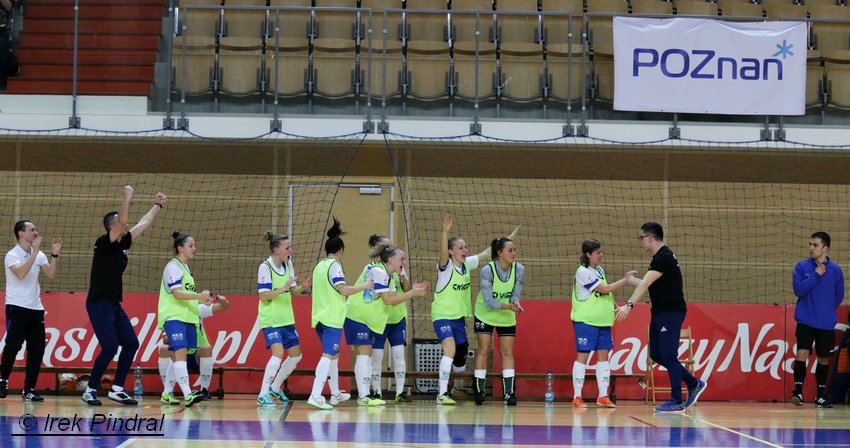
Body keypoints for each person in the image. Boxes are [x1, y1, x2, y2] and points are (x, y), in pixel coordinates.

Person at [83, 186, 166, 406]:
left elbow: (144, 224)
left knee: (131, 343)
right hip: (98, 303)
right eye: (121, 223)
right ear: (112, 227)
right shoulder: (104, 244)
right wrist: (127, 198)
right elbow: (123, 223)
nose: (126, 225)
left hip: (113, 304)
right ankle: (90, 389)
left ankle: (117, 388)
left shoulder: (123, 242)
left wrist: (157, 205)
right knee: (110, 347)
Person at [616, 222, 707, 413]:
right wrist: (631, 280)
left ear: (650, 237)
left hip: (670, 312)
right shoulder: (660, 258)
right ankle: (693, 383)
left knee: (668, 355)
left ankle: (676, 400)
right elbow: (651, 284)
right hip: (659, 312)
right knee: (657, 354)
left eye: (641, 238)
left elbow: (645, 285)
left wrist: (629, 305)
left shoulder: (663, 256)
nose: (641, 242)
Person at [432, 215, 519, 405]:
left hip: (458, 318)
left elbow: (486, 254)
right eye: (461, 248)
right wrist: (445, 232)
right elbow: (442, 254)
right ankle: (442, 394)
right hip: (442, 315)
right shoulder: (445, 267)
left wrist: (504, 242)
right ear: (451, 251)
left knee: (461, 352)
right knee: (450, 349)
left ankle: (456, 388)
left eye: (465, 247)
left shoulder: (466, 265)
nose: (465, 250)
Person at [345, 244, 428, 406]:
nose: (404, 262)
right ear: (391, 259)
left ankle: (366, 395)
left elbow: (392, 297)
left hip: (367, 319)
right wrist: (411, 293)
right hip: (356, 316)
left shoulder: (386, 275)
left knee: (366, 354)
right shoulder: (379, 271)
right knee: (364, 354)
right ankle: (364, 396)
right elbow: (389, 301)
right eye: (401, 259)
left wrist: (410, 290)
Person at [308, 218, 372, 410]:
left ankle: (335, 393)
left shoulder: (319, 266)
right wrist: (364, 286)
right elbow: (343, 291)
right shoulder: (334, 266)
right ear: (341, 251)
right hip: (331, 319)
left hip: (319, 317)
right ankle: (316, 395)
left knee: (333, 355)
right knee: (328, 355)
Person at [0, 221, 62, 401]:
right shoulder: (12, 255)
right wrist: (34, 253)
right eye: (32, 230)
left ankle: (29, 389)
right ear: (21, 234)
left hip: (35, 308)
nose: (36, 232)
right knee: (12, 346)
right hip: (16, 307)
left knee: (37, 350)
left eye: (36, 229)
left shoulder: (40, 254)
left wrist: (55, 255)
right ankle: (3, 379)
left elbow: (50, 274)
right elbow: (20, 273)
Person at [570, 239, 636, 408]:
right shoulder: (582, 272)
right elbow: (605, 289)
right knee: (583, 357)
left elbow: (605, 294)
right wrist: (626, 280)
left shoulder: (599, 270)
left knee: (603, 358)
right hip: (586, 321)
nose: (601, 255)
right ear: (588, 254)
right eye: (598, 252)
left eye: (601, 252)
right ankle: (577, 397)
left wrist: (616, 307)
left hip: (603, 321)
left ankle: (603, 396)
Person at [157, 230, 214, 407]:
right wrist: (199, 296)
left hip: (188, 319)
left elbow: (187, 295)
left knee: (178, 356)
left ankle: (167, 393)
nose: (194, 249)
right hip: (175, 317)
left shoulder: (186, 269)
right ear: (180, 248)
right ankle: (188, 394)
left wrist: (202, 299)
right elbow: (177, 294)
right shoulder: (173, 266)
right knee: (180, 353)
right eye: (191, 246)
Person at [256, 232, 312, 407]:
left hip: (287, 318)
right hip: (271, 318)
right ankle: (262, 394)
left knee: (296, 356)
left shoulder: (288, 264)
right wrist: (284, 287)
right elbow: (264, 296)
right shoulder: (265, 267)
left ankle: (274, 387)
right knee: (278, 353)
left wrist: (303, 287)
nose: (291, 250)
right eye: (287, 248)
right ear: (276, 250)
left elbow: (292, 292)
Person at [790, 231, 845, 408]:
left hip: (825, 322)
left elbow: (839, 295)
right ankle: (797, 391)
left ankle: (820, 395)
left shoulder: (836, 270)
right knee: (802, 354)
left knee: (823, 359)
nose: (811, 248)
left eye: (815, 245)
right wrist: (816, 274)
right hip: (806, 320)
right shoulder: (802, 267)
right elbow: (799, 290)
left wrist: (827, 310)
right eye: (810, 244)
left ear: (825, 248)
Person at [473, 237, 525, 406]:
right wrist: (509, 307)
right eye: (510, 250)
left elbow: (515, 293)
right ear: (499, 252)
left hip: (506, 314)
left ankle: (509, 393)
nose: (514, 253)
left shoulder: (519, 269)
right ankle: (479, 391)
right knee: (484, 349)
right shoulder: (487, 271)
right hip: (485, 313)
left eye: (515, 250)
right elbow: (489, 302)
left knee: (508, 352)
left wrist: (515, 302)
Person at [158, 296, 231, 404]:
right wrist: (181, 337)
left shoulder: (197, 309)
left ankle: (204, 390)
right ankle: (168, 392)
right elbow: (165, 340)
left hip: (196, 354)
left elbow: (224, 307)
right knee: (164, 349)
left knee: (206, 348)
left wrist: (224, 302)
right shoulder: (171, 315)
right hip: (179, 353)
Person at [366, 235, 411, 403]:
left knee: (399, 355)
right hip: (379, 318)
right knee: (377, 357)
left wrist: (405, 282)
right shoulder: (374, 269)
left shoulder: (397, 265)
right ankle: (376, 392)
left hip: (397, 317)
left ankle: (400, 392)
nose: (387, 247)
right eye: (384, 245)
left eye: (389, 245)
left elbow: (406, 287)